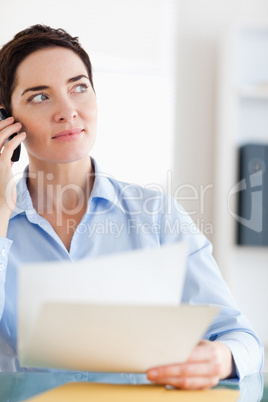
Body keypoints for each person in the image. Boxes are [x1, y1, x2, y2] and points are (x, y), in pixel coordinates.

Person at [0, 24, 263, 389]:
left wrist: (221, 359)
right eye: (40, 97)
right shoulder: (2, 222)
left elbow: (241, 336)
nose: (68, 111)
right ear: (7, 120)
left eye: (79, 88)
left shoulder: (156, 215)